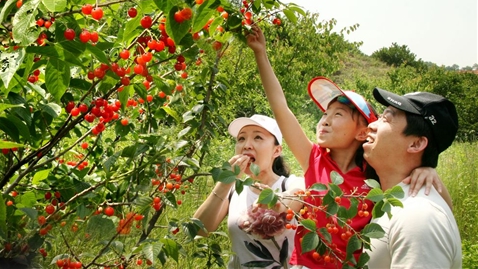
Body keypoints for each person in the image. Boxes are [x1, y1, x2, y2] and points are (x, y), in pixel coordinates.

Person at [246, 25, 451, 268]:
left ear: (363, 132)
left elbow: (440, 208)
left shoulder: (375, 175)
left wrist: (428, 169)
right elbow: (280, 107)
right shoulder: (315, 159)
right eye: (325, 113)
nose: (325, 120)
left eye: (339, 114)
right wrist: (261, 53)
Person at [363, 88, 462, 268]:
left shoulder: (419, 217)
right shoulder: (396, 202)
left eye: (386, 119)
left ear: (416, 143)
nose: (372, 125)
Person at [193, 114, 305, 268]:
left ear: (277, 151)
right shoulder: (233, 190)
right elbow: (199, 230)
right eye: (241, 139)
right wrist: (225, 182)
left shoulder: (290, 183)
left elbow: (298, 193)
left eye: (258, 137)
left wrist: (275, 202)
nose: (246, 145)